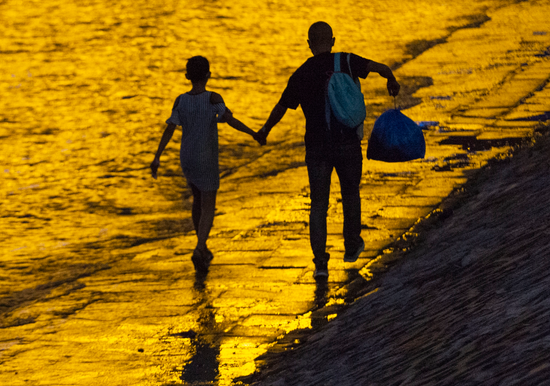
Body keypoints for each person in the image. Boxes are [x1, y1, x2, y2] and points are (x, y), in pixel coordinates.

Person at [257, 22, 400, 280]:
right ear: (332, 40)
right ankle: (352, 244)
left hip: (316, 148)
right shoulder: (346, 60)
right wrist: (392, 81)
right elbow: (381, 68)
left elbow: (281, 107)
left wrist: (265, 130)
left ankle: (320, 264)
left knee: (319, 205)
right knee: (350, 193)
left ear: (309, 44)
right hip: (347, 143)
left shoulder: (301, 73)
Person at [151, 56, 262, 271]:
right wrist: (253, 133)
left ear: (187, 76)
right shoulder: (213, 98)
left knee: (197, 199)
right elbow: (228, 119)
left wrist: (157, 156)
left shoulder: (180, 100)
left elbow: (170, 128)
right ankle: (199, 248)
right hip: (206, 157)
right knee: (209, 204)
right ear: (208, 75)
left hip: (187, 158)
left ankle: (203, 246)